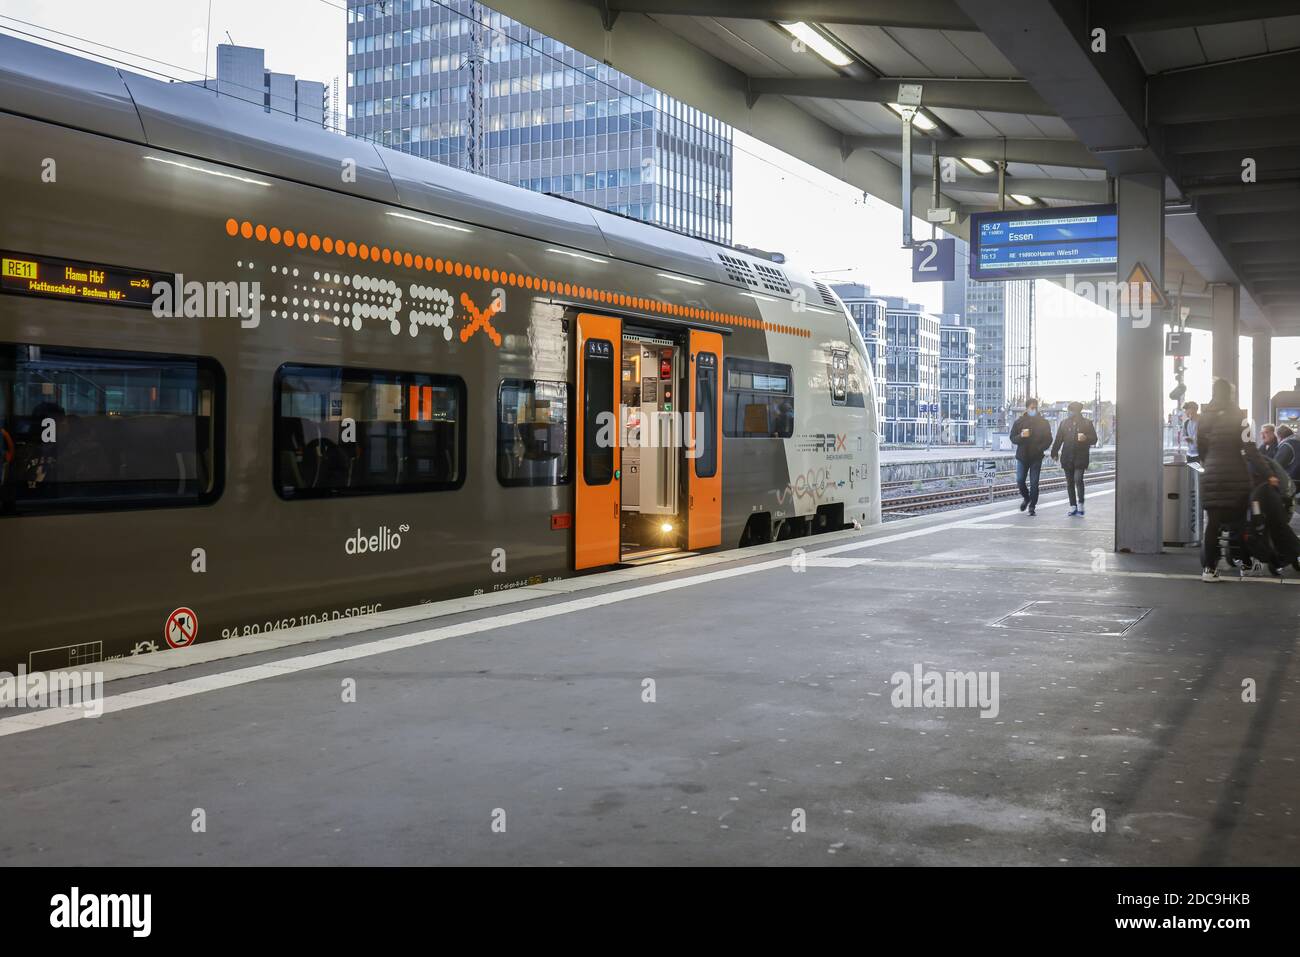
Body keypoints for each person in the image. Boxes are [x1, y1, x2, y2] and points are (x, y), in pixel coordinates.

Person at [1196, 380, 1252, 582]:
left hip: (1211, 474)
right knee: (1239, 523)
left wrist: (1209, 462)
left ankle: (1209, 570)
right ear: (1230, 394)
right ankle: (1245, 566)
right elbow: (1249, 448)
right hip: (1236, 475)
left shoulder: (1204, 418)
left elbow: (1200, 447)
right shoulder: (1239, 417)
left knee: (1213, 524)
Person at [1051, 401, 1099, 516]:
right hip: (1067, 457)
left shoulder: (1087, 423)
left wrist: (1086, 438)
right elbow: (1058, 439)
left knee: (1078, 479)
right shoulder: (1064, 424)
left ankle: (1081, 504)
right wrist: (1054, 452)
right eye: (1069, 410)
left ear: (1077, 411)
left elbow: (1094, 439)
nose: (1070, 412)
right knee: (1069, 483)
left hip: (1081, 457)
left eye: (1071, 410)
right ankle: (1073, 506)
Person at [1009, 398, 1052, 516]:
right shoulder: (1019, 422)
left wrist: (1041, 448)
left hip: (1036, 457)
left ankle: (1032, 506)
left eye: (1035, 407)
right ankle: (1026, 498)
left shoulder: (1043, 422)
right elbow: (1012, 438)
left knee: (1034, 483)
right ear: (1027, 408)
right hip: (1022, 456)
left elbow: (1049, 439)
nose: (1033, 410)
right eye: (1031, 408)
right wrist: (1021, 436)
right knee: (1020, 480)